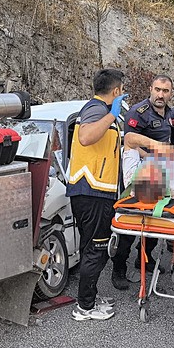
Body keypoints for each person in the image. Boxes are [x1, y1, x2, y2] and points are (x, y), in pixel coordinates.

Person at [66, 69, 126, 321]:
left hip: (94, 192)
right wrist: (112, 114)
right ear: (115, 91)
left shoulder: (98, 111)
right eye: (121, 90)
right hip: (93, 192)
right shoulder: (97, 109)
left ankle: (88, 297)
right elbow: (86, 136)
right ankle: (85, 308)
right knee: (96, 251)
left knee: (90, 248)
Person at [112, 75, 174, 289]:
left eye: (165, 91)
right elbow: (129, 143)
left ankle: (144, 259)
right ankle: (118, 268)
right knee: (132, 223)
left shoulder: (169, 112)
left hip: (159, 172)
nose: (160, 94)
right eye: (157, 89)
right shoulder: (138, 113)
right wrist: (152, 155)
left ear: (170, 93)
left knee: (155, 220)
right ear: (150, 89)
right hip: (137, 174)